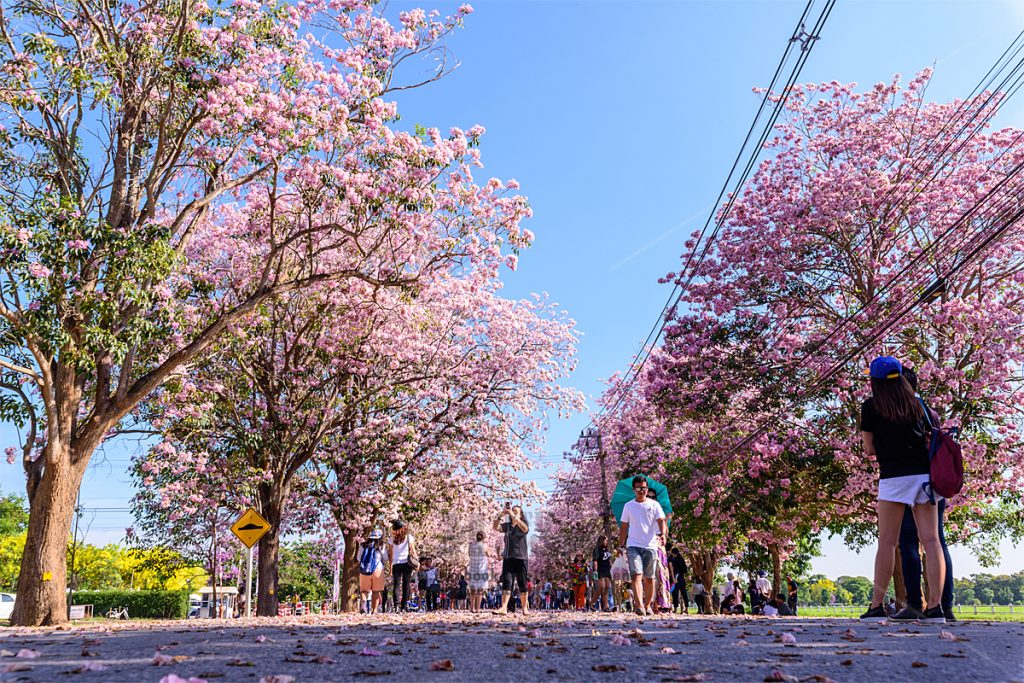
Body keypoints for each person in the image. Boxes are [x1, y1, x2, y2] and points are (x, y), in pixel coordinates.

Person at [859, 355, 946, 623]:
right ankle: (935, 608)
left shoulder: (871, 407)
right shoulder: (918, 403)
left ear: (875, 381)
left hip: (894, 478)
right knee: (931, 541)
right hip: (923, 477)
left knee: (887, 542)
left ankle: (876, 607)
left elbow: (869, 449)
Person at [894, 366, 956, 622]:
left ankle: (914, 604)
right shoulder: (930, 412)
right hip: (932, 482)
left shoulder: (897, 413)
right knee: (937, 541)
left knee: (908, 542)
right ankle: (944, 605)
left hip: (907, 482)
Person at [617, 476, 668, 616]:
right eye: (639, 488)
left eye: (644, 488)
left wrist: (662, 534)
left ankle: (647, 605)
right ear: (634, 490)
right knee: (636, 575)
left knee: (650, 578)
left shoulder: (654, 505)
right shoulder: (628, 506)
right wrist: (621, 544)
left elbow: (661, 520)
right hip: (633, 545)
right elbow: (624, 526)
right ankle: (639, 605)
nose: (642, 491)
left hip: (650, 546)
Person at [493, 503, 530, 615]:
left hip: (521, 558)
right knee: (507, 582)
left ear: (521, 514)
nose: (513, 512)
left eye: (516, 511)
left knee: (522, 583)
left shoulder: (522, 524)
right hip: (508, 558)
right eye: (512, 510)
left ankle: (524, 608)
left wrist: (514, 517)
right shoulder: (507, 526)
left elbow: (525, 529)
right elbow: (495, 527)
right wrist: (501, 514)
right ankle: (504, 608)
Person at [387, 520, 418, 612]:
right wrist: (417, 561)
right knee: (406, 585)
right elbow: (412, 550)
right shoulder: (409, 537)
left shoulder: (392, 539)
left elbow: (391, 554)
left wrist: (390, 566)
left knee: (396, 585)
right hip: (406, 563)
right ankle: (404, 606)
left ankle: (396, 605)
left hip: (396, 564)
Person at [358, 529, 386, 614]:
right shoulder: (381, 545)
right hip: (378, 569)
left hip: (365, 569)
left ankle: (363, 601)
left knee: (364, 590)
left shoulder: (363, 545)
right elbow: (386, 557)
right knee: (376, 591)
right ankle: (374, 610)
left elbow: (358, 558)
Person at [467, 531, 489, 612]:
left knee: (472, 589)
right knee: (480, 589)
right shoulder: (484, 546)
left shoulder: (471, 545)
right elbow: (488, 554)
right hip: (482, 569)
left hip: (473, 568)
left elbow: (469, 554)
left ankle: (472, 607)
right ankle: (478, 609)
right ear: (483, 538)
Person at [668, 547, 689, 614]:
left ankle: (676, 609)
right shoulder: (681, 559)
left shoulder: (672, 559)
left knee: (675, 594)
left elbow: (671, 569)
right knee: (684, 594)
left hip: (675, 578)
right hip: (681, 578)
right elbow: (685, 569)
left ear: (673, 553)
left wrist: (673, 578)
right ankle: (686, 609)